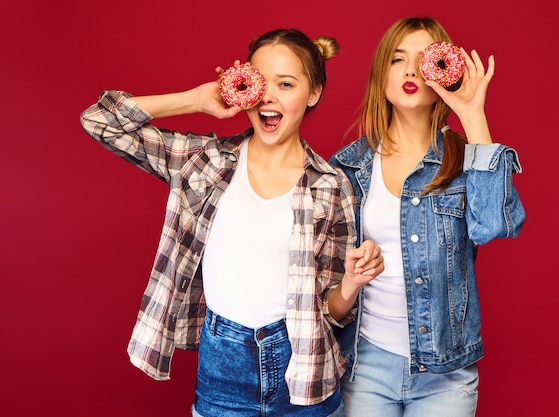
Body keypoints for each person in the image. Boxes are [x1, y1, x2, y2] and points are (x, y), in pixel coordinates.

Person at [80, 28, 383, 417]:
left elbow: (331, 312)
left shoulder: (331, 186)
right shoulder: (203, 161)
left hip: (305, 372)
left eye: (286, 83)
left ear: (313, 93)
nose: (269, 97)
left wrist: (352, 284)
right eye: (261, 83)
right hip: (222, 366)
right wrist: (197, 99)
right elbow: (99, 121)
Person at [329, 17, 526, 417]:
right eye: (397, 59)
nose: (411, 70)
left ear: (444, 72)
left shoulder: (463, 160)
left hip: (446, 373)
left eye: (425, 60)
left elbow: (495, 226)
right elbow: (330, 291)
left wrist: (472, 115)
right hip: (365, 365)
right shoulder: (348, 169)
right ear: (380, 75)